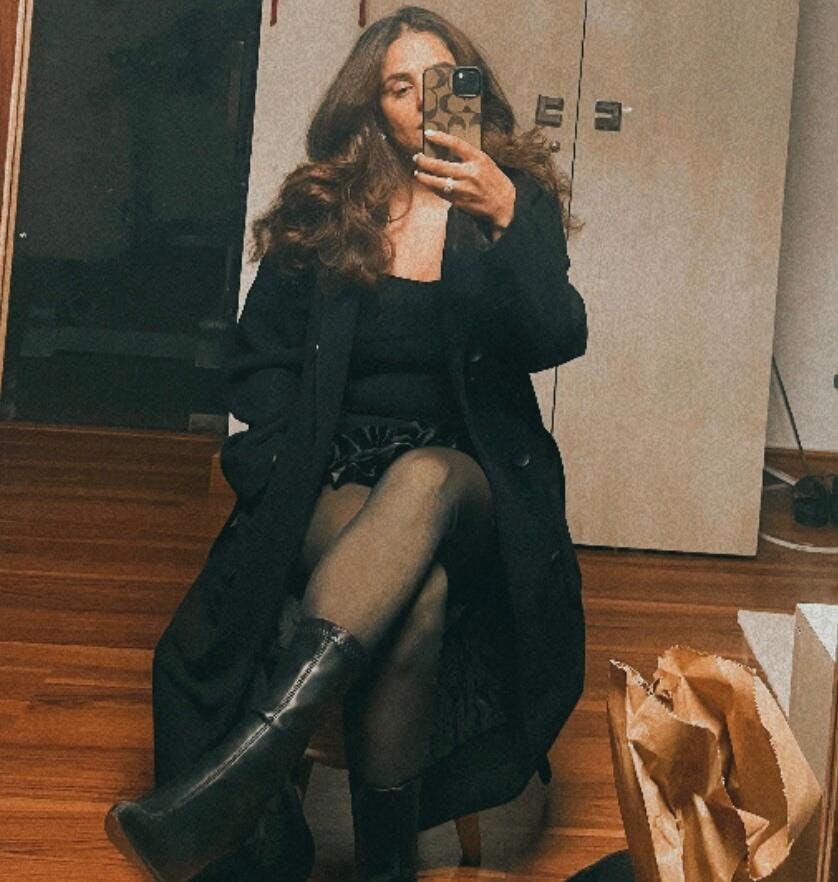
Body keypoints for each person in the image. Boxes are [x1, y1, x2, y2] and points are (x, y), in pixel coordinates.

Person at [104, 6, 587, 882]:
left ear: (470, 86)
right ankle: (384, 866)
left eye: (439, 80)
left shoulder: (510, 199)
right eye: (398, 87)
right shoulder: (326, 207)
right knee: (417, 602)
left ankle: (243, 771)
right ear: (372, 106)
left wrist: (506, 217)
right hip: (338, 472)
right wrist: (276, 468)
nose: (421, 102)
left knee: (426, 479)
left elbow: (558, 335)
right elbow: (257, 361)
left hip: (464, 478)